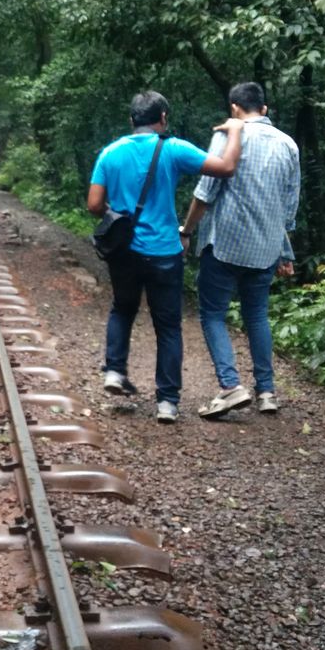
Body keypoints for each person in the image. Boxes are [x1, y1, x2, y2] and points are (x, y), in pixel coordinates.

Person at [87, 90, 244, 423]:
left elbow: (94, 205)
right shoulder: (173, 149)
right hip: (163, 253)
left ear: (132, 121)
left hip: (124, 253)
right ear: (163, 119)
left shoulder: (110, 153)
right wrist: (236, 130)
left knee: (122, 308)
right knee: (168, 328)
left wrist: (117, 212)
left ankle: (115, 370)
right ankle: (167, 403)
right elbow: (227, 167)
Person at [179, 81, 301, 418]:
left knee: (213, 313)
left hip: (225, 245)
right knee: (257, 315)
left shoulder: (227, 135)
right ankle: (267, 392)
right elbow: (288, 208)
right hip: (265, 248)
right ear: (264, 109)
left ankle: (231, 386)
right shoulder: (288, 144)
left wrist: (186, 231)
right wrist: (284, 252)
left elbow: (205, 192)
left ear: (234, 108)